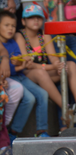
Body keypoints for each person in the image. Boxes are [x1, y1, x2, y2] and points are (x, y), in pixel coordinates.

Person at [16, 3, 76, 115]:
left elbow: (53, 57)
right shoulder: (19, 35)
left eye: (39, 17)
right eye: (31, 17)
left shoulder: (44, 34)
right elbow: (28, 64)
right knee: (40, 73)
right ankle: (66, 108)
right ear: (23, 21)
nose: (35, 20)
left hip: (45, 71)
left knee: (71, 65)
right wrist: (52, 66)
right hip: (27, 75)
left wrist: (58, 65)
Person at [0, 10, 50, 140]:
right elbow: (9, 70)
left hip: (20, 76)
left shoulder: (13, 42)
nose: (10, 29)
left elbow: (19, 64)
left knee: (43, 94)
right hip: (12, 78)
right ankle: (13, 132)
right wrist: (19, 64)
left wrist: (22, 64)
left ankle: (42, 131)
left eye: (12, 26)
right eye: (6, 25)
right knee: (29, 99)